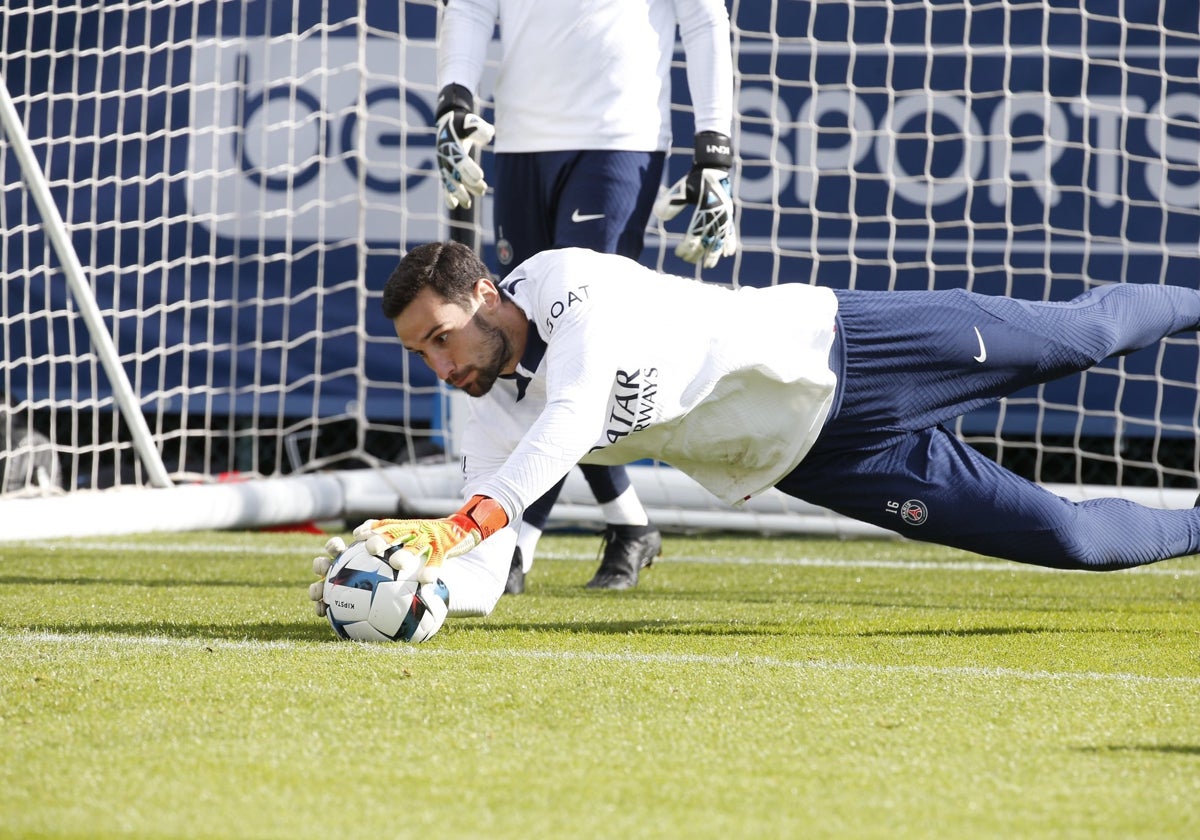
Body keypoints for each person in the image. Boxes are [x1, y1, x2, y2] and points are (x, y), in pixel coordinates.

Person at [309, 241, 1200, 628]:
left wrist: (464, 520)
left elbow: (575, 417)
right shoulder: (487, 402)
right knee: (1073, 541)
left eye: (440, 337)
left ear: (488, 296)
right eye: (419, 352)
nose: (437, 364)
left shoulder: (571, 285)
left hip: (853, 345)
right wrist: (408, 589)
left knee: (1086, 336)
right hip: (824, 460)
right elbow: (485, 571)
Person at [431, 0, 738, 593]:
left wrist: (714, 146)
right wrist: (455, 98)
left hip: (618, 137)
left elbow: (704, 19)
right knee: (515, 350)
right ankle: (628, 523)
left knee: (578, 349)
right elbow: (469, 7)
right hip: (517, 139)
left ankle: (518, 543)